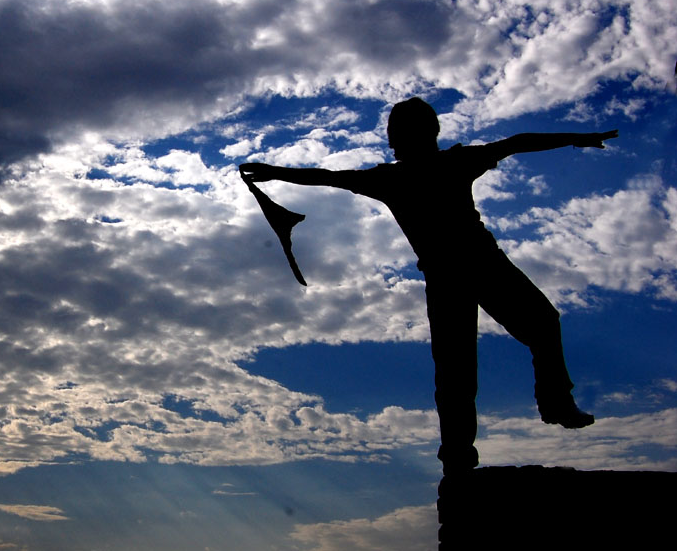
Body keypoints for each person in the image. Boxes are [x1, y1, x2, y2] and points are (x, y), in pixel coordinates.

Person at [240, 97, 616, 474]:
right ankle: (468, 448)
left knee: (506, 343)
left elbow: (328, 176)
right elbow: (328, 176)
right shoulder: (413, 173)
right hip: (459, 274)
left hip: (472, 269)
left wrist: (276, 171)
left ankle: (541, 411)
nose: (395, 142)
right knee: (464, 366)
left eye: (397, 135)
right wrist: (275, 172)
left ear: (407, 137)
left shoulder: (416, 172)